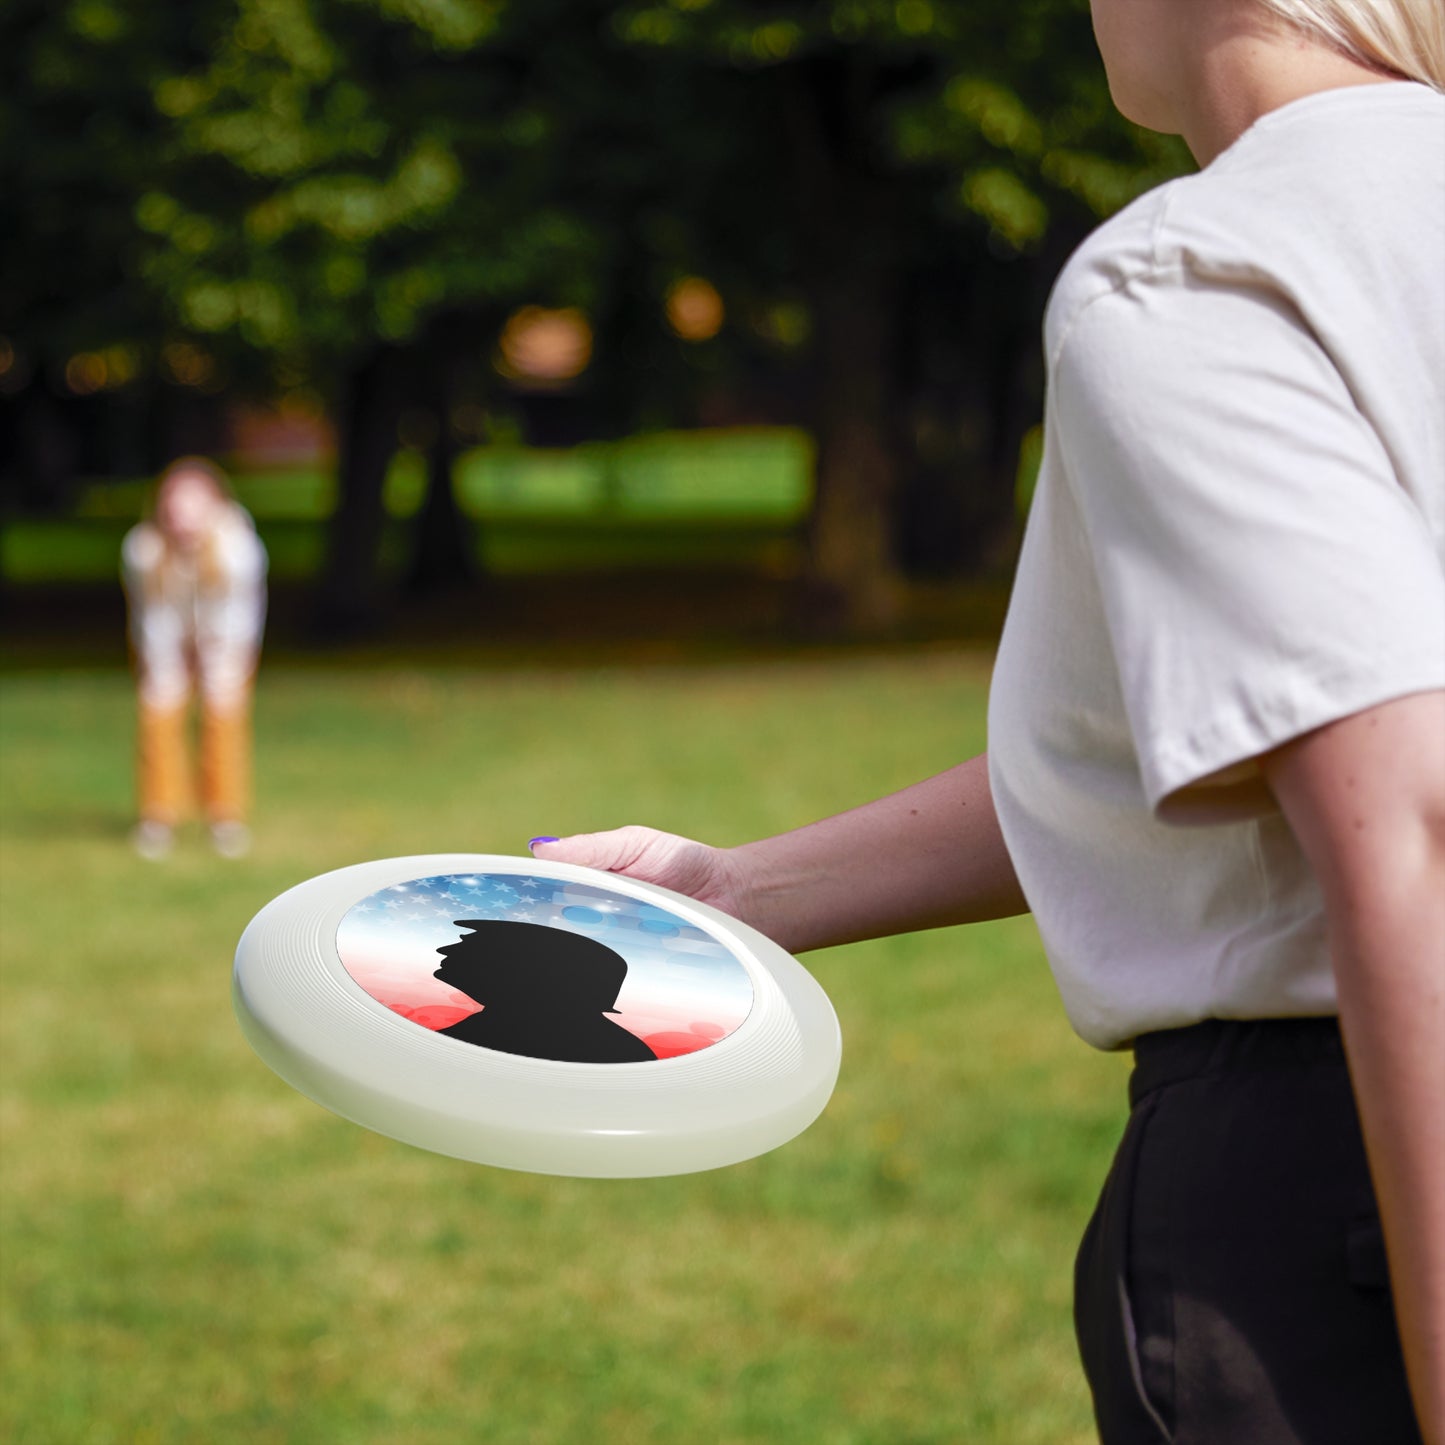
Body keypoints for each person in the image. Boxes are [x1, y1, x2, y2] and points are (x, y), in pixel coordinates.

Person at [527, 2, 1445, 1440]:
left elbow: (1410, 822)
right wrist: (736, 888)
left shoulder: (1204, 270)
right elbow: (1218, 739)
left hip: (1342, 1192)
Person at [121, 457, 268, 860]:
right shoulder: (143, 549)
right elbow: (152, 616)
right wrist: (168, 665)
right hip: (165, 640)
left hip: (226, 641)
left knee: (223, 717)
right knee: (158, 712)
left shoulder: (239, 549)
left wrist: (215, 659)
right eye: (174, 506)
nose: (182, 517)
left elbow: (239, 616)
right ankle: (158, 816)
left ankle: (225, 818)